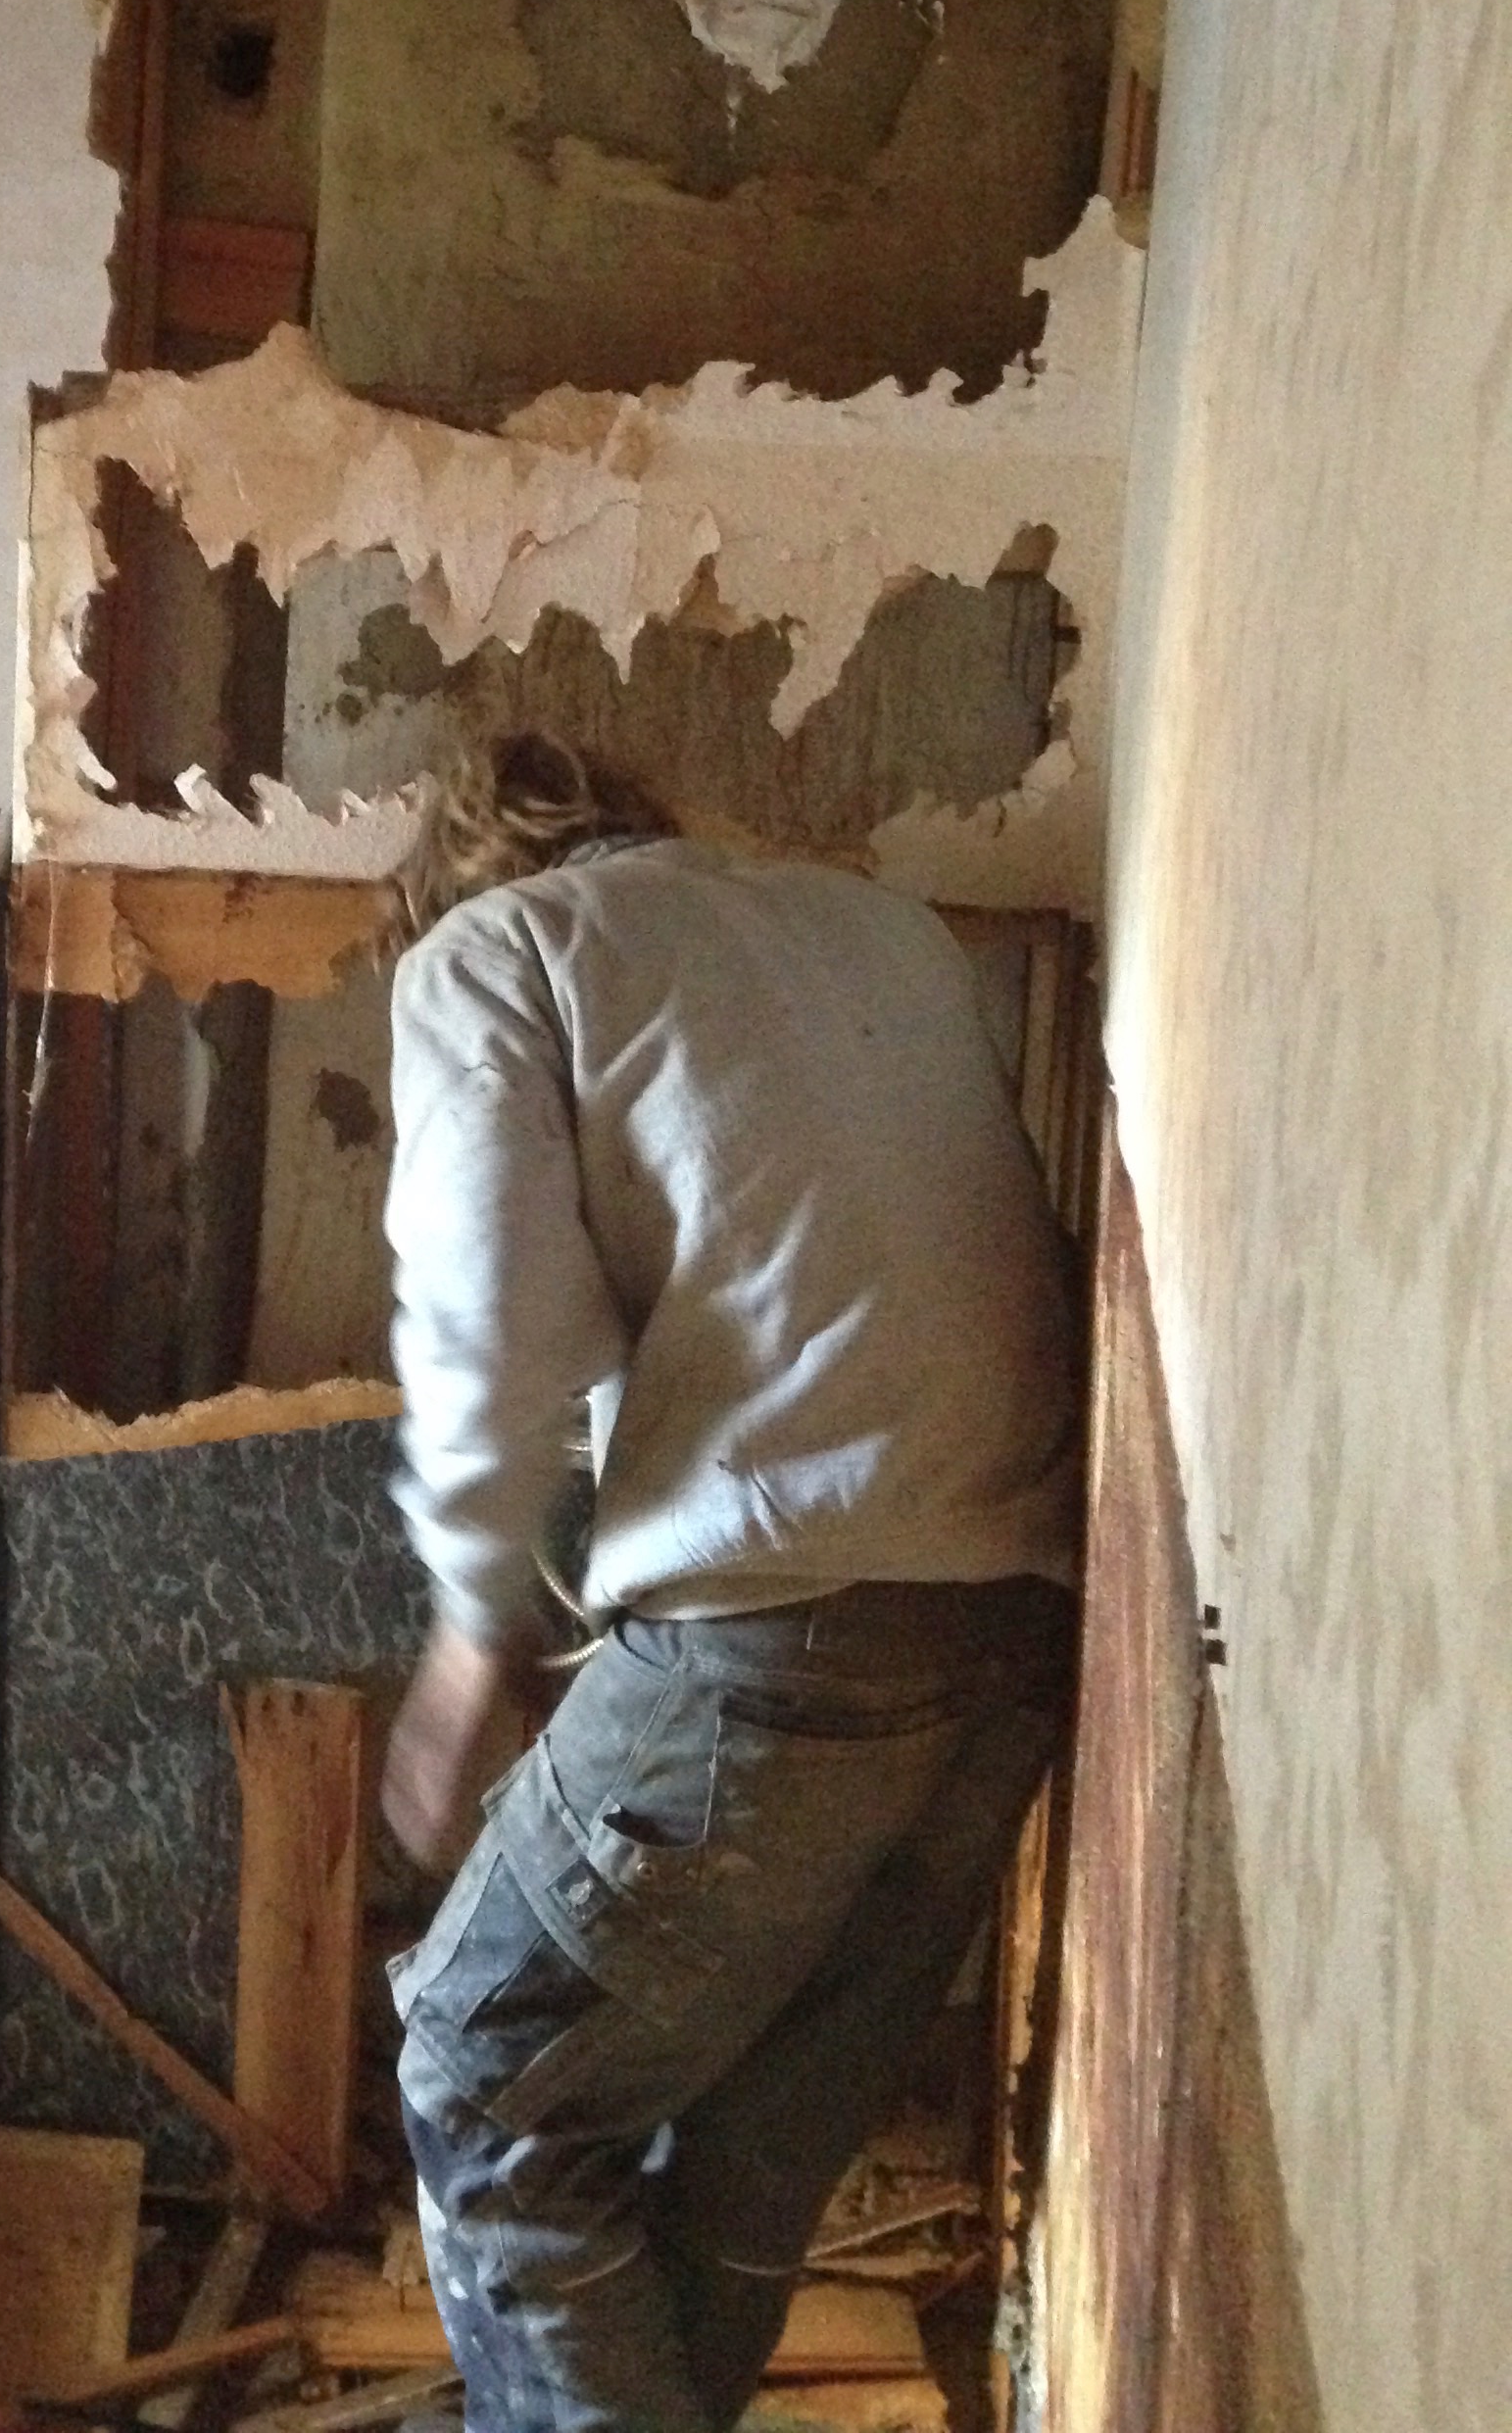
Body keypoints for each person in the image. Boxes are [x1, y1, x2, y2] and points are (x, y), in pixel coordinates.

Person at [378, 732, 1082, 2433]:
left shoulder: (495, 951)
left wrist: (471, 1633)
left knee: (485, 2091)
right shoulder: (885, 929)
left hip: (782, 1637)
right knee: (748, 2169)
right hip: (1017, 1625)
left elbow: (488, 1316)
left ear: (462, 875)